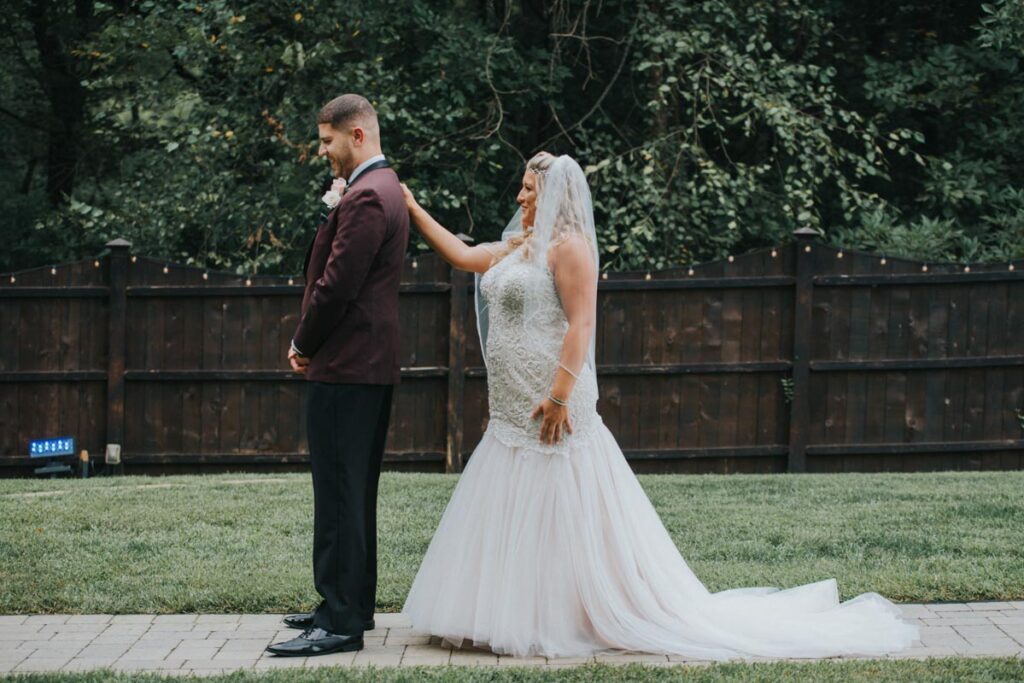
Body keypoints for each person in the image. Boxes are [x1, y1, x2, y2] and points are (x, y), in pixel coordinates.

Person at [398, 151, 920, 659]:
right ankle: (504, 611)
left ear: (554, 195)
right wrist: (413, 208)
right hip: (512, 404)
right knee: (513, 500)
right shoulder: (519, 246)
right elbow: (464, 257)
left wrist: (559, 395)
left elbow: (581, 325)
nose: (519, 196)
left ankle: (566, 614)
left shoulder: (569, 248)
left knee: (561, 500)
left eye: (528, 189)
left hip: (553, 397)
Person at [267, 94, 409, 657]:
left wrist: (303, 341)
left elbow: (336, 287)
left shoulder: (370, 197)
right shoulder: (380, 188)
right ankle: (344, 605)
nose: (321, 150)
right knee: (349, 491)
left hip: (348, 365)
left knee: (341, 492)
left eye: (327, 140)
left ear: (357, 135)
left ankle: (342, 622)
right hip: (362, 366)